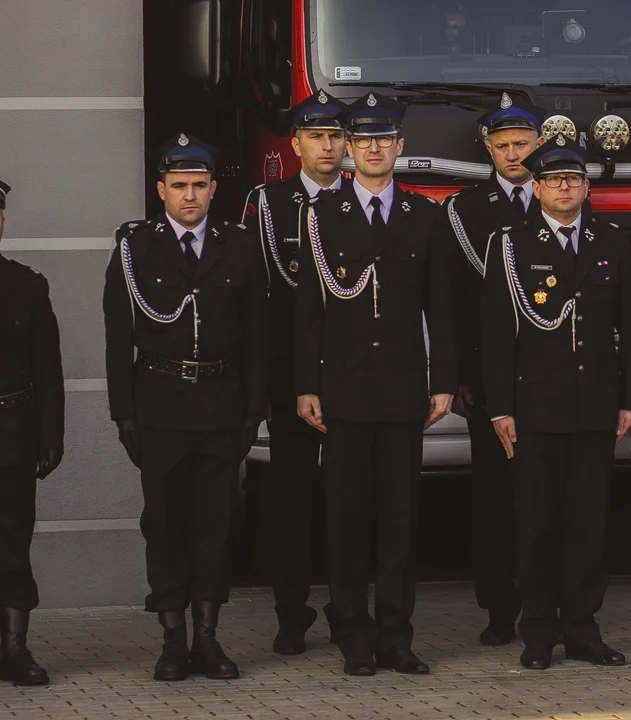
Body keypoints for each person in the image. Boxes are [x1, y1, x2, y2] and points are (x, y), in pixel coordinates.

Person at [293, 93, 455, 677]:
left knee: (399, 521)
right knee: (347, 520)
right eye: (363, 141)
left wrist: (445, 382)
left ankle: (396, 637)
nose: (374, 149)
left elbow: (441, 306)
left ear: (399, 147)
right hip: (342, 390)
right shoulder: (322, 216)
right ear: (351, 150)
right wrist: (305, 383)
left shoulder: (424, 215)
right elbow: (308, 308)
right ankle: (354, 638)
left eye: (384, 140)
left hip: (402, 390)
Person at [103, 134, 269, 681]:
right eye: (179, 187)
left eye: (200, 186)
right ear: (160, 190)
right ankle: (172, 641)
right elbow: (117, 335)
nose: (190, 196)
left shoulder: (240, 245)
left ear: (215, 188)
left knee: (216, 526)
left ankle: (208, 638)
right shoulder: (134, 247)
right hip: (160, 406)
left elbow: (255, 337)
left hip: (222, 406)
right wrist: (123, 414)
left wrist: (253, 409)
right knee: (166, 526)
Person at [482, 135, 631, 670]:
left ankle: (582, 629)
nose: (563, 187)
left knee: (587, 526)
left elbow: (628, 326)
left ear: (586, 185)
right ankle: (537, 633)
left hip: (596, 405)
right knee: (536, 525)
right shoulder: (510, 244)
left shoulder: (612, 240)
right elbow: (497, 334)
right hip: (535, 408)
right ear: (536, 187)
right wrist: (500, 407)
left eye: (572, 179)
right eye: (552, 180)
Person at [242, 89, 348, 655]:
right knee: (291, 501)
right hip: (289, 377)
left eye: (335, 136)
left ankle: (346, 607)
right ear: (296, 142)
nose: (327, 146)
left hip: (355, 375)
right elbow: (255, 299)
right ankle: (291, 613)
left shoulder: (364, 202)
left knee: (350, 499)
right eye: (316, 136)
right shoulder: (268, 203)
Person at [439, 93, 545, 646]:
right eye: (501, 146)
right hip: (490, 375)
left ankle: (545, 606)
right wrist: (455, 374)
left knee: (547, 496)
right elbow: (453, 300)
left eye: (521, 144)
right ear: (487, 149)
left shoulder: (563, 196)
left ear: (539, 144)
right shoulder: (466, 210)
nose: (512, 154)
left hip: (553, 375)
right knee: (495, 498)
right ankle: (499, 609)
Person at [0, 181, 64, 686]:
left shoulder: (26, 286)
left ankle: (15, 647)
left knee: (13, 543)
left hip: (12, 433)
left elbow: (48, 370)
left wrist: (51, 435)